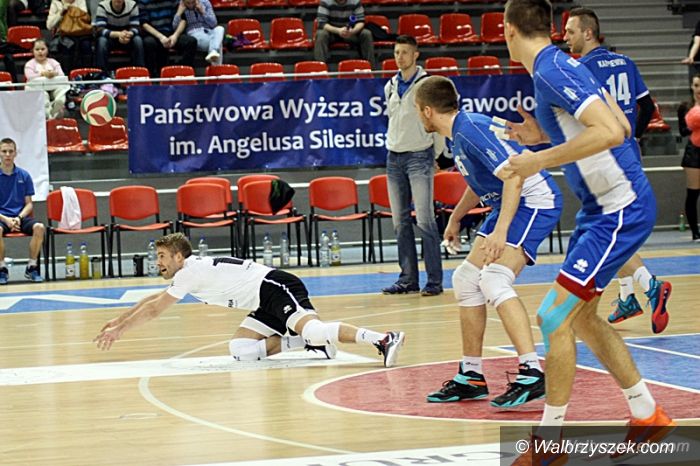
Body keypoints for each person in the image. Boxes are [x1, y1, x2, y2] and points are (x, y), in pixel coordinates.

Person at [500, 1, 675, 464]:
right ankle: (647, 414)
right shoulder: (562, 66)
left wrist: (538, 160)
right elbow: (621, 123)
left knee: (553, 317)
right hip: (603, 208)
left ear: (509, 29)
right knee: (579, 318)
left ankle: (549, 445)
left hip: (619, 208)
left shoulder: (552, 69)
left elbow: (612, 133)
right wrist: (544, 137)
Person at [415, 76, 562, 408]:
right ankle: (471, 376)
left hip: (534, 200)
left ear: (426, 111)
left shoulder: (470, 129)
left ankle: (532, 372)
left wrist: (500, 231)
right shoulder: (460, 132)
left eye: (416, 110)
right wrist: (456, 217)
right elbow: (482, 180)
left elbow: (513, 176)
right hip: (510, 201)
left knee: (494, 279)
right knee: (466, 279)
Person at [93, 233, 406, 368]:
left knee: (313, 328)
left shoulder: (188, 272)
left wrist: (120, 331)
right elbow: (154, 299)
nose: (158, 262)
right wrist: (119, 319)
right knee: (242, 350)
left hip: (275, 286)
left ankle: (383, 339)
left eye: (162, 256)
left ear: (178, 257)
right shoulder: (187, 273)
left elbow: (155, 309)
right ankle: (311, 345)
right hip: (261, 302)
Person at [564, 6, 672, 333]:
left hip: (604, 156)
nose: (565, 37)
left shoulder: (581, 68)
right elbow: (647, 107)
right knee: (617, 227)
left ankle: (650, 285)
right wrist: (634, 136)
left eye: (570, 31)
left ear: (588, 33)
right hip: (627, 152)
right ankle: (626, 296)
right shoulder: (625, 61)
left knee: (606, 228)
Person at [382, 35, 443, 297]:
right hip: (393, 158)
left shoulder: (427, 85)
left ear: (416, 55)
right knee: (400, 223)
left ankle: (434, 281)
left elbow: (437, 121)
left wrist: (436, 155)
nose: (400, 57)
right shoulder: (390, 85)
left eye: (405, 52)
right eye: (397, 52)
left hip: (420, 156)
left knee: (426, 220)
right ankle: (408, 279)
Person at [0, 138, 45, 285]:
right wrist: (6, 220)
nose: (7, 154)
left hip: (21, 217)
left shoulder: (24, 175)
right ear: (0, 153)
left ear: (15, 153)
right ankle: (2, 269)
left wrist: (18, 218)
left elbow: (29, 204)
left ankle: (32, 267)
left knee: (39, 227)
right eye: (4, 151)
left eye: (10, 151)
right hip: (2, 217)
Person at [138, 0, 196, 78]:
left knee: (191, 42)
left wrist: (175, 36)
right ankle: (153, 76)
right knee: (149, 43)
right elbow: (144, 24)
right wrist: (160, 37)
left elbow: (183, 20)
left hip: (171, 33)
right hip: (153, 34)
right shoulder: (143, 2)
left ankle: (184, 74)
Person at [314, 0, 375, 68]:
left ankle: (370, 68)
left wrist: (353, 31)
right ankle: (320, 68)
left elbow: (361, 22)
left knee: (366, 33)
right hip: (331, 32)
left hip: (350, 33)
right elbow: (322, 24)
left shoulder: (356, 2)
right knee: (320, 34)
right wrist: (338, 30)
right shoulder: (325, 2)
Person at [678, 73, 700, 242]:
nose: (699, 89)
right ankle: (695, 232)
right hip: (694, 153)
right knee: (693, 193)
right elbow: (682, 132)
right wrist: (694, 124)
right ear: (692, 87)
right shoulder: (685, 107)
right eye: (696, 85)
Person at [24, 39, 70, 119]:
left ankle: (57, 106)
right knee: (43, 96)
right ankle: (48, 114)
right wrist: (42, 74)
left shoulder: (53, 62)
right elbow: (29, 77)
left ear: (47, 50)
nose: (40, 52)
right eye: (37, 49)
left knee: (61, 93)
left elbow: (62, 75)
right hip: (38, 88)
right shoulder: (29, 64)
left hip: (53, 87)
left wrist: (54, 73)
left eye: (43, 49)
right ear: (32, 51)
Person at [93, 0, 144, 71]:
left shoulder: (132, 5)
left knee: (138, 40)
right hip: (110, 38)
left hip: (127, 38)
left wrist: (128, 34)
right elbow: (100, 29)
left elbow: (136, 27)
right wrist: (119, 34)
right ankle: (101, 73)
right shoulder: (103, 6)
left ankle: (139, 72)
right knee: (101, 41)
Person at [46, 0, 93, 72]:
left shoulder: (80, 1)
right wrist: (61, 13)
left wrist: (73, 9)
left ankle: (87, 74)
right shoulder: (56, 2)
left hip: (81, 32)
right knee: (67, 45)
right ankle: (67, 73)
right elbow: (49, 25)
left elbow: (86, 18)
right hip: (64, 33)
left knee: (86, 45)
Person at [173, 0, 224, 65]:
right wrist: (178, 13)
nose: (191, 5)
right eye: (188, 3)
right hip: (194, 34)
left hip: (209, 32)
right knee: (218, 43)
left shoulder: (205, 2)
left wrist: (203, 12)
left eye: (193, 2)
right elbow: (175, 28)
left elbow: (214, 24)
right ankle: (214, 54)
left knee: (220, 29)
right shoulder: (180, 6)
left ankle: (213, 52)